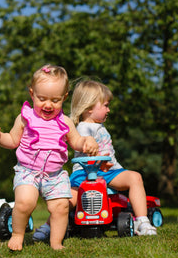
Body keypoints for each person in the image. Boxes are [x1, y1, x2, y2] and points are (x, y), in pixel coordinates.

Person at [0, 65, 99, 251]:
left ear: (64, 98)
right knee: (25, 202)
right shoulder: (25, 118)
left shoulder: (65, 122)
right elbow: (12, 140)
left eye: (55, 100)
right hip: (27, 171)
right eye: (42, 98)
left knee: (61, 207)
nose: (48, 105)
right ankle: (17, 235)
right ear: (32, 94)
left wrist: (87, 140)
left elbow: (76, 142)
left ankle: (55, 242)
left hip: (55, 175)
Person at [33, 79, 156, 241]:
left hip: (109, 172)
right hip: (85, 173)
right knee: (68, 200)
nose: (108, 109)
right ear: (90, 107)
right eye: (105, 105)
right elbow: (84, 147)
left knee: (135, 178)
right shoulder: (84, 128)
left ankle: (142, 220)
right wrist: (92, 151)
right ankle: (49, 226)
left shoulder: (98, 126)